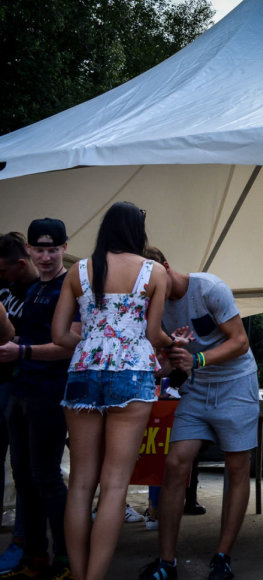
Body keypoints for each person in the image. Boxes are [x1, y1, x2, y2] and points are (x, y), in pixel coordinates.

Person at [52, 202, 184, 580]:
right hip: (131, 374)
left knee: (79, 485)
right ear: (135, 231)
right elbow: (151, 334)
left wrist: (93, 337)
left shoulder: (77, 270)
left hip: (82, 372)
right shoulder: (153, 271)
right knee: (114, 487)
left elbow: (59, 335)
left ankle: (78, 575)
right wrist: (171, 342)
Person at [138, 246, 259, 580]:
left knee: (237, 467)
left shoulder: (209, 288)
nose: (147, 289)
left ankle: (222, 557)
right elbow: (168, 355)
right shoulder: (153, 306)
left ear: (165, 266)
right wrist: (160, 369)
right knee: (176, 464)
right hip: (197, 388)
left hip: (236, 385)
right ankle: (167, 562)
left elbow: (240, 341)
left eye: (150, 279)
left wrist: (200, 360)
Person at [0, 218, 79, 579]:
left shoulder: (72, 287)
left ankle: (66, 559)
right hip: (20, 390)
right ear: (29, 250)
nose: (46, 256)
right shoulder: (31, 290)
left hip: (50, 392)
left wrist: (22, 352)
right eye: (40, 249)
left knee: (47, 477)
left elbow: (70, 345)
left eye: (53, 249)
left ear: (64, 247)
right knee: (24, 477)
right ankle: (35, 557)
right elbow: (21, 338)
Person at [0, 232, 38, 574]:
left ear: (20, 264)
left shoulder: (41, 292)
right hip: (6, 385)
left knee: (25, 470)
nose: (2, 278)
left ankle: (22, 542)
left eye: (4, 271)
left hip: (23, 387)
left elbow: (14, 339)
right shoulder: (6, 286)